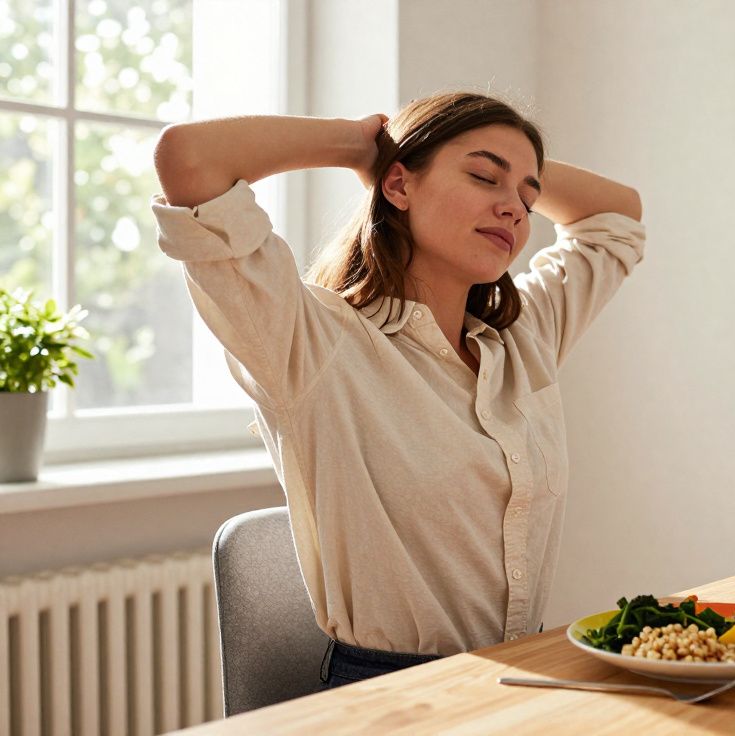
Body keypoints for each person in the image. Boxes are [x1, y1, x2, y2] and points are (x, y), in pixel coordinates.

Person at [152, 92, 644, 688]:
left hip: (522, 680)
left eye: (528, 198)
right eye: (484, 176)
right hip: (389, 696)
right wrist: (366, 145)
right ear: (398, 187)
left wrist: (506, 161)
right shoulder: (313, 342)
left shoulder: (522, 340)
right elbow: (189, 157)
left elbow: (617, 217)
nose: (514, 209)